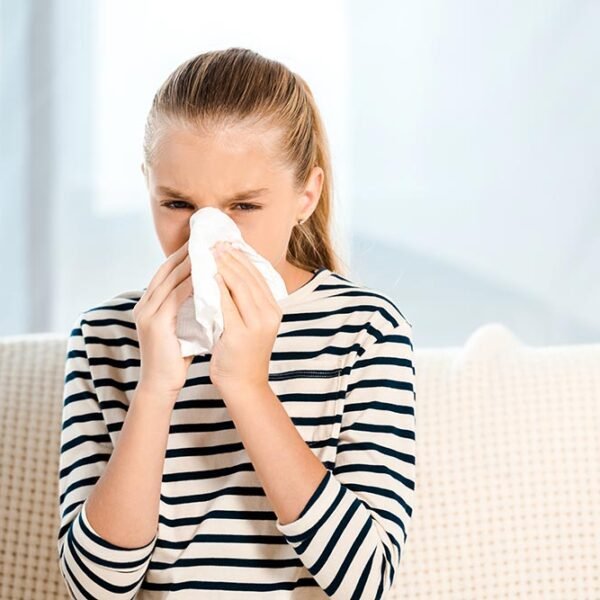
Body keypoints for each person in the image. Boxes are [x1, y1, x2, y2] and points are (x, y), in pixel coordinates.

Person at [57, 47, 417, 599]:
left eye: (244, 207)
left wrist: (247, 387)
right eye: (177, 204)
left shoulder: (364, 330)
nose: (206, 234)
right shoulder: (105, 337)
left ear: (306, 195)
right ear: (148, 186)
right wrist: (155, 389)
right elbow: (96, 589)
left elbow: (365, 580)